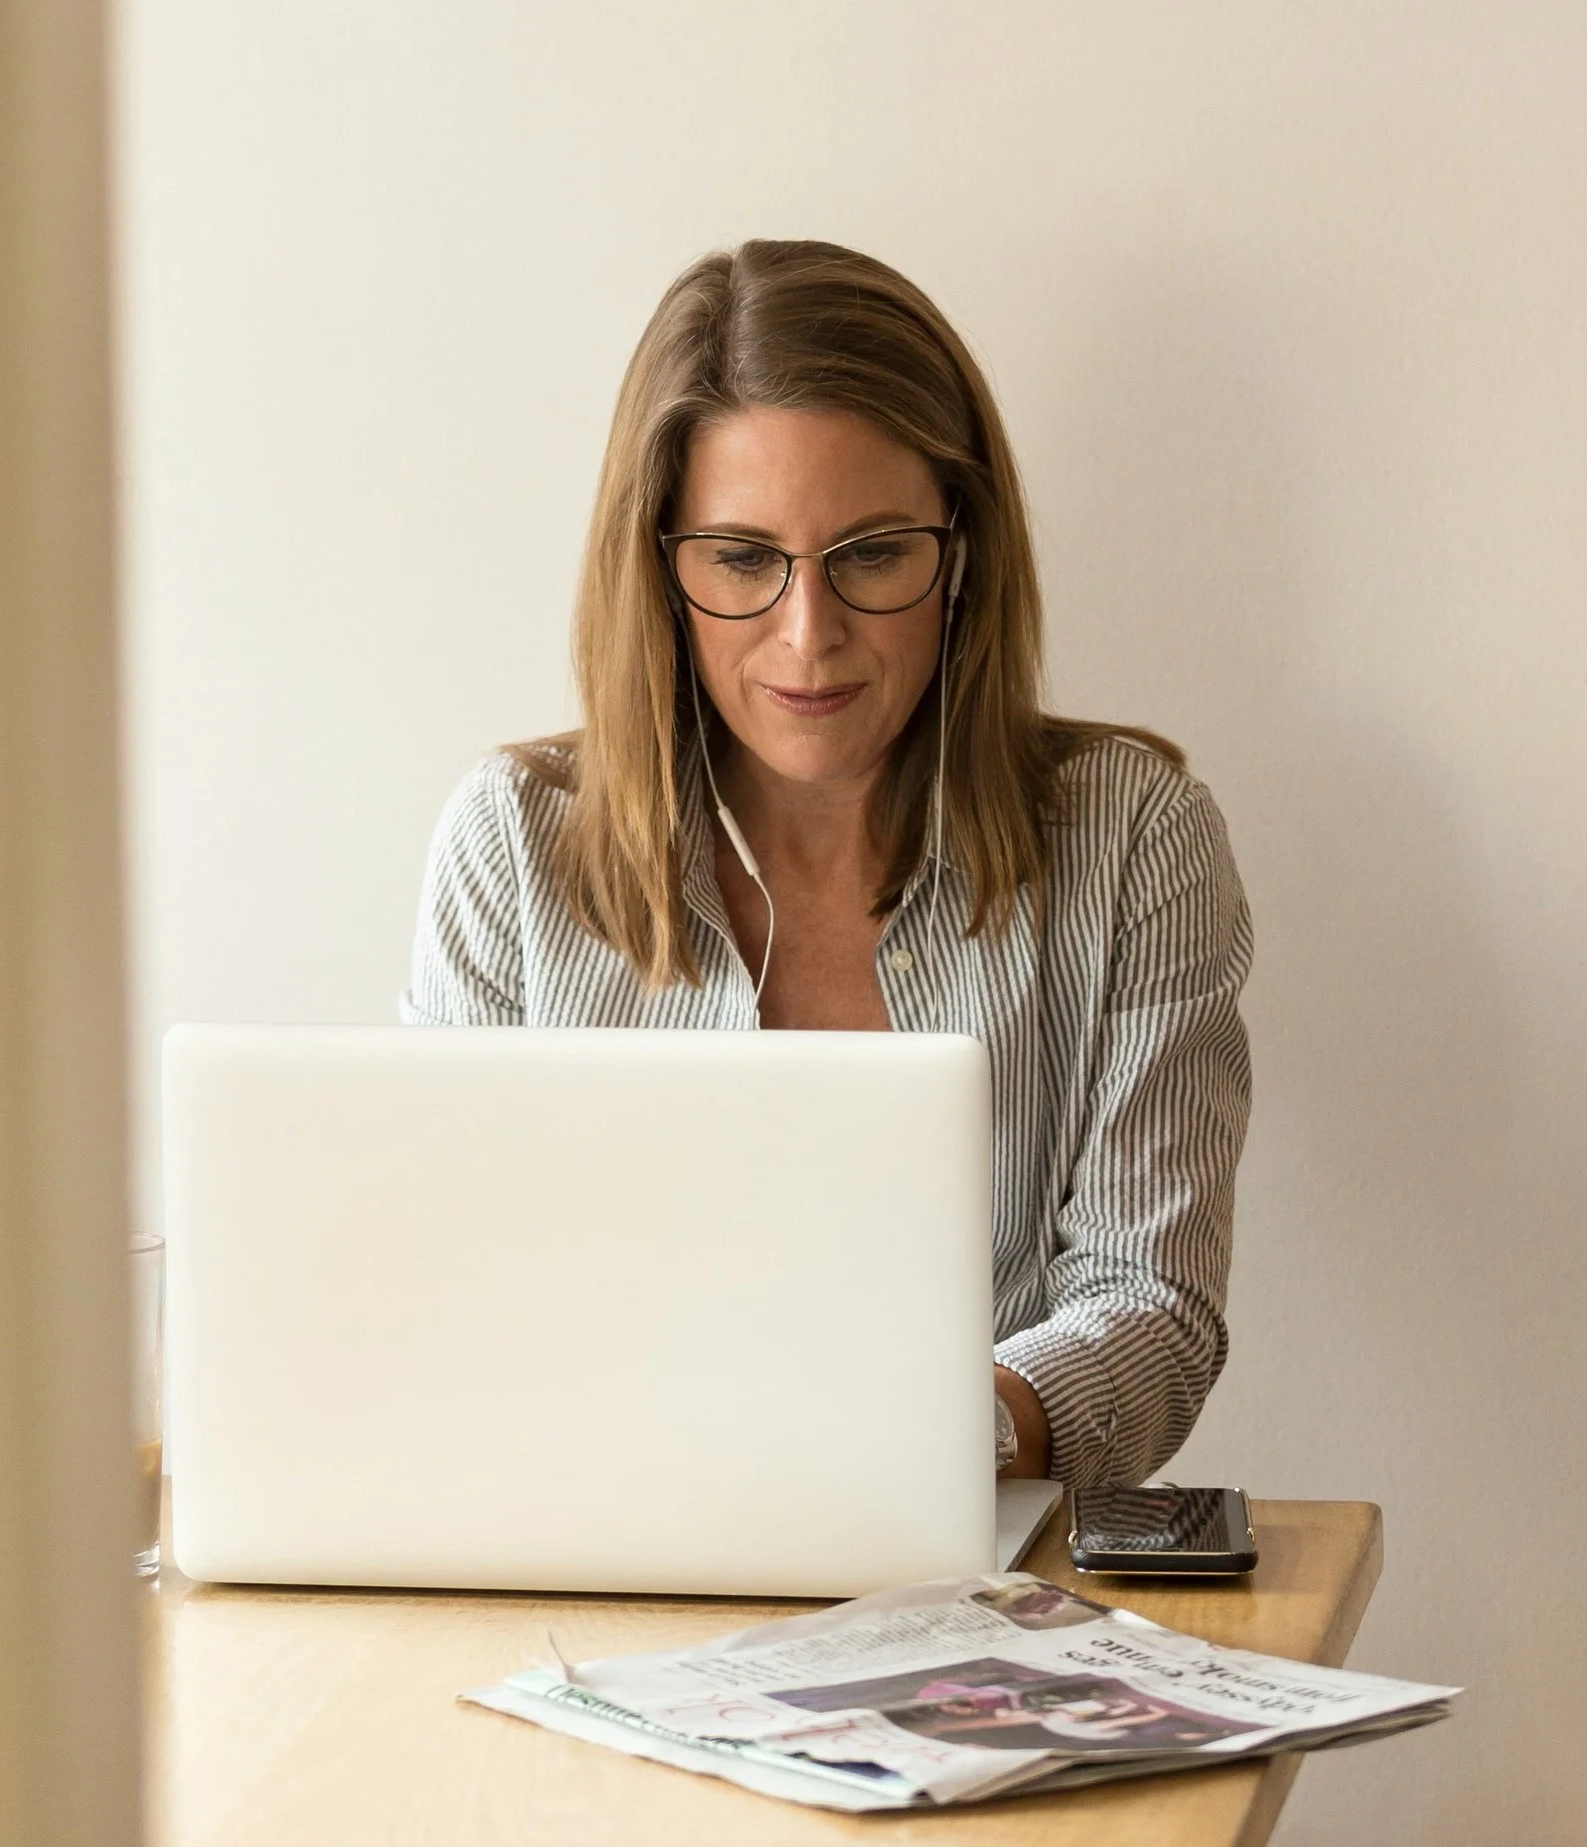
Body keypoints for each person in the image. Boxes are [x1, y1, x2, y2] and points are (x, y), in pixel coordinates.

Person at [400, 239, 1252, 1487]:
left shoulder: (1132, 836)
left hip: (981, 1577)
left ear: (959, 550)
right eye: (743, 560)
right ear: (660, 567)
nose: (809, 636)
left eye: (871, 554)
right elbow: (444, 1297)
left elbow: (1153, 1311)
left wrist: (917, 1441)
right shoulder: (511, 844)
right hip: (592, 1555)